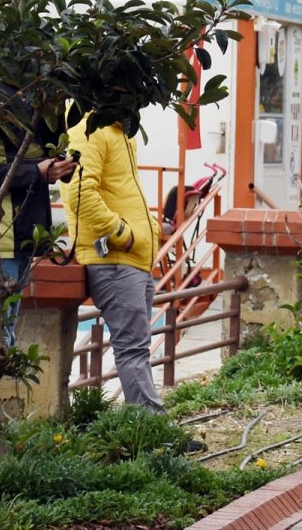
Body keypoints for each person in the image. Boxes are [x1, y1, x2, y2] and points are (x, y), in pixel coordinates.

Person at [60, 111, 204, 453]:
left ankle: (144, 429)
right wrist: (123, 234)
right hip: (113, 259)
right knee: (132, 349)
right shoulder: (90, 129)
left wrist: (145, 233)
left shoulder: (121, 132)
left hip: (132, 259)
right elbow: (78, 192)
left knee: (135, 347)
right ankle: (154, 434)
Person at [0, 89, 78, 424]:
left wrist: (59, 168)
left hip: (21, 242)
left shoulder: (38, 111)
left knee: (1, 339)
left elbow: (34, 163)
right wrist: (35, 172)